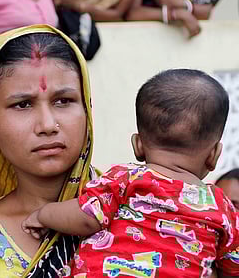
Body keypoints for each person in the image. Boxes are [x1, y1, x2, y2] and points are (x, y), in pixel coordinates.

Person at [23, 69, 239, 277]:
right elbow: (233, 265)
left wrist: (45, 214)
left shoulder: (126, 177)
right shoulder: (224, 208)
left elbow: (87, 217)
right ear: (214, 155)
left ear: (138, 146)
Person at [0, 25, 98, 277]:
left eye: (63, 101)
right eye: (23, 104)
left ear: (87, 107)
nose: (47, 125)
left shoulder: (139, 205)